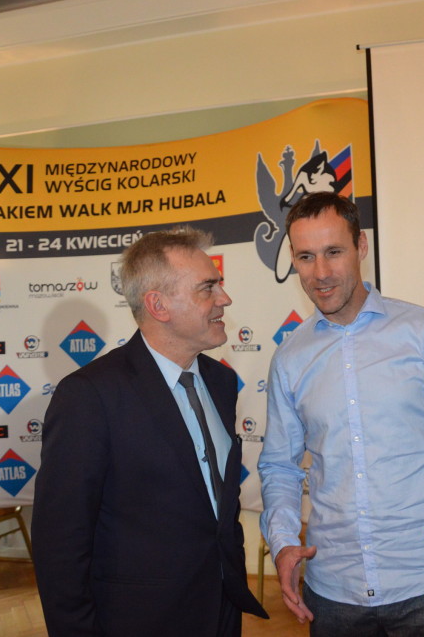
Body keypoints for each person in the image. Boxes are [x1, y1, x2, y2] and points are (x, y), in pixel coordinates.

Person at [259, 192, 424, 636]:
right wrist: (283, 541)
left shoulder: (422, 331)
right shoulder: (290, 358)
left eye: (334, 252)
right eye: (306, 257)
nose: (320, 272)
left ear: (361, 246)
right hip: (334, 590)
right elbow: (279, 466)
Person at [32, 226, 267, 636]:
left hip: (222, 610)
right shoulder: (89, 395)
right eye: (207, 288)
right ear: (158, 305)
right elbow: (60, 542)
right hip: (139, 619)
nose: (224, 299)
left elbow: (216, 505)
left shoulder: (221, 382)